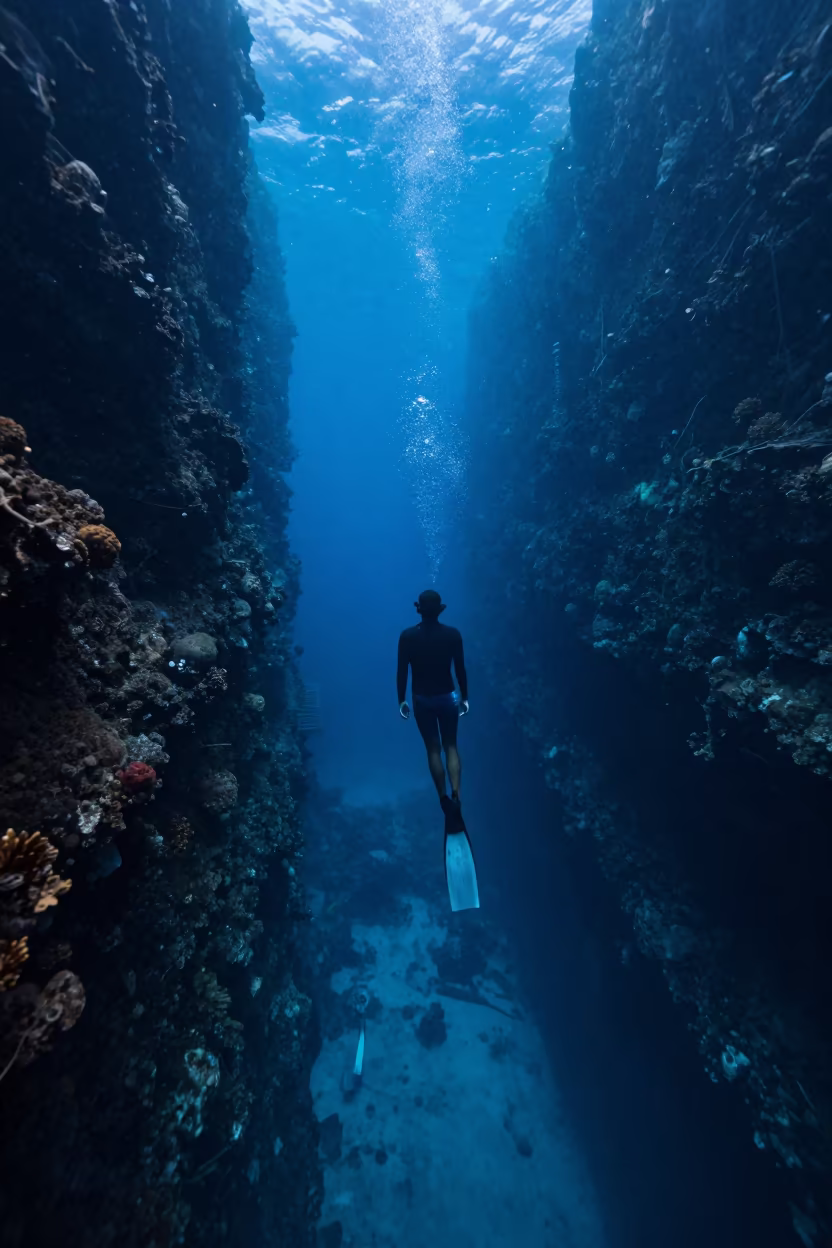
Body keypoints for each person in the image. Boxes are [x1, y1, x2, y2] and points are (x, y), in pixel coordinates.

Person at [397, 589, 469, 822]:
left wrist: (401, 700)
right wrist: (465, 697)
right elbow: (460, 669)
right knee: (451, 746)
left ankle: (443, 799)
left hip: (422, 699)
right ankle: (457, 795)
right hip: (448, 696)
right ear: (439, 610)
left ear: (419, 609)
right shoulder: (453, 635)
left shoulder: (407, 636)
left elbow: (402, 672)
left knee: (433, 749)